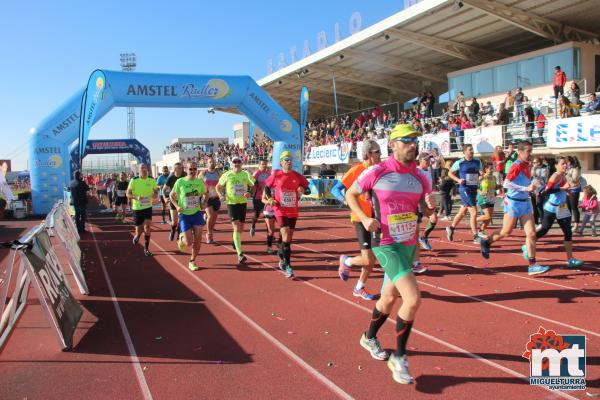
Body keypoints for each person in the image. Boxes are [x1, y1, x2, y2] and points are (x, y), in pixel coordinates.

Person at [346, 124, 435, 384]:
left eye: (415, 140)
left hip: (407, 244)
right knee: (413, 298)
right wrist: (363, 218)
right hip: (384, 243)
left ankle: (368, 337)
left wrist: (431, 210)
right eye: (406, 140)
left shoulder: (421, 177)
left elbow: (427, 212)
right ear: (393, 144)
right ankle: (399, 357)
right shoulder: (377, 171)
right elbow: (351, 194)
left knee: (387, 299)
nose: (412, 145)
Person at [479, 141, 550, 275]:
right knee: (506, 232)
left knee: (532, 234)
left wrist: (535, 188)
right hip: (513, 203)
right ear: (520, 152)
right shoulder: (516, 165)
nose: (530, 154)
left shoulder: (527, 165)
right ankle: (487, 242)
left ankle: (532, 264)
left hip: (525, 203)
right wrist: (525, 188)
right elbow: (507, 183)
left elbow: (525, 183)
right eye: (528, 151)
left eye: (531, 151)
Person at [333, 139, 381, 300]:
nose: (381, 154)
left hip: (375, 219)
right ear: (368, 154)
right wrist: (346, 201)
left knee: (372, 259)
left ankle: (359, 287)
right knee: (368, 259)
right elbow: (335, 189)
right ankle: (347, 261)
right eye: (377, 152)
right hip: (360, 218)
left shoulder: (380, 170)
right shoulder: (356, 170)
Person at [524, 157, 584, 268]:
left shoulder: (563, 176)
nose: (565, 166)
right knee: (544, 230)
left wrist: (566, 191)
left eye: (566, 164)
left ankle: (570, 259)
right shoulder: (555, 176)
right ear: (556, 165)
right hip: (551, 208)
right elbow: (545, 191)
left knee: (568, 233)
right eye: (562, 164)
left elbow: (561, 189)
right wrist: (562, 189)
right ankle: (528, 245)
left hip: (562, 208)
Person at [264, 151, 310, 278]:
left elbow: (308, 188)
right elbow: (267, 188)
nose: (289, 162)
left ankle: (281, 252)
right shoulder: (276, 175)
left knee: (288, 237)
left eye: (290, 159)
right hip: (280, 210)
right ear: (281, 162)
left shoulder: (297, 176)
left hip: (293, 211)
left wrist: (304, 190)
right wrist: (269, 199)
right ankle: (288, 266)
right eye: (286, 160)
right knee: (285, 233)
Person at [216, 156, 255, 264]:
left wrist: (250, 193)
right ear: (232, 164)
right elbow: (218, 186)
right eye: (234, 162)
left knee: (241, 229)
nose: (237, 164)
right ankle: (240, 254)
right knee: (237, 227)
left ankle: (234, 239)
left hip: (242, 203)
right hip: (231, 203)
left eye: (238, 162)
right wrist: (220, 195)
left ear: (241, 164)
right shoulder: (227, 174)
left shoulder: (246, 174)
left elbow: (254, 185)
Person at [170, 162, 207, 271]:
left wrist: (203, 204)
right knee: (188, 242)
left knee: (199, 238)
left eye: (195, 169)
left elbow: (206, 193)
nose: (193, 171)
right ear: (186, 169)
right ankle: (181, 239)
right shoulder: (180, 181)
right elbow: (172, 195)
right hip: (185, 215)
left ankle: (192, 261)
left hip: (196, 213)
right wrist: (177, 206)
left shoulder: (199, 182)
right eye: (191, 169)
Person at [445, 144, 482, 244]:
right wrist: (458, 179)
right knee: (474, 212)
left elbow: (480, 173)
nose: (472, 151)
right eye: (470, 149)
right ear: (465, 152)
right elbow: (450, 173)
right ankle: (475, 236)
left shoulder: (477, 161)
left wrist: (480, 178)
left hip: (473, 189)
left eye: (472, 149)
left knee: (463, 212)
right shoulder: (459, 162)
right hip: (464, 189)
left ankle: (451, 228)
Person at [126, 163, 158, 257]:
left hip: (148, 207)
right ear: (138, 170)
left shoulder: (151, 180)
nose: (144, 169)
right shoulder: (134, 180)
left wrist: (155, 195)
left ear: (147, 169)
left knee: (147, 227)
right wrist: (136, 197)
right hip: (137, 208)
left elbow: (155, 191)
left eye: (145, 168)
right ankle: (137, 235)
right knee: (139, 229)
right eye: (142, 168)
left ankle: (146, 248)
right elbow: (127, 194)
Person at [200, 156, 221, 244]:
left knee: (214, 217)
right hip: (207, 198)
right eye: (210, 162)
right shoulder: (203, 174)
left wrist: (222, 193)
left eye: (213, 162)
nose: (212, 163)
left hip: (216, 198)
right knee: (210, 216)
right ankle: (209, 234)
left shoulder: (219, 173)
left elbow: (222, 184)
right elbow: (198, 185)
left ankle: (210, 230)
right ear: (207, 163)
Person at [163, 162, 187, 242]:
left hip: (183, 202)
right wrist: (165, 198)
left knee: (181, 221)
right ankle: (173, 231)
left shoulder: (185, 175)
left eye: (182, 167)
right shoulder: (171, 178)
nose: (181, 169)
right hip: (173, 202)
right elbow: (163, 189)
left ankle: (179, 235)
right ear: (175, 169)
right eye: (179, 168)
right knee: (174, 222)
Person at [250, 159, 271, 238]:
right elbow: (252, 184)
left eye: (265, 164)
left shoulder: (269, 173)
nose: (264, 166)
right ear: (259, 165)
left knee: (268, 215)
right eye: (263, 164)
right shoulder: (256, 173)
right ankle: (253, 226)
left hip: (267, 198)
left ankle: (269, 232)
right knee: (257, 214)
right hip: (258, 197)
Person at [476, 164, 496, 234]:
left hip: (491, 198)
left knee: (489, 217)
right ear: (486, 170)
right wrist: (480, 191)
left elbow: (494, 187)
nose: (492, 170)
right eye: (490, 169)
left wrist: (500, 186)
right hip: (483, 198)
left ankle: (481, 230)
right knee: (487, 216)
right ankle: (473, 220)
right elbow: (475, 186)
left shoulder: (494, 177)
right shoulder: (482, 177)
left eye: (492, 168)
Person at [565, 156, 582, 232]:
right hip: (567, 190)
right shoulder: (567, 169)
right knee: (567, 207)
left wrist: (567, 175)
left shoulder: (576, 169)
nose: (566, 164)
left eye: (567, 162)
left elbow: (575, 180)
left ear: (570, 162)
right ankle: (568, 224)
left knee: (574, 207)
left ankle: (576, 226)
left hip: (574, 190)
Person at [530, 157, 549, 226]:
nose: (534, 164)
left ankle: (542, 221)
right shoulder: (533, 168)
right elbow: (532, 176)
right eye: (533, 162)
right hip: (533, 189)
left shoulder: (544, 168)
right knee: (534, 206)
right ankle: (535, 222)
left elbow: (542, 180)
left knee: (539, 206)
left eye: (535, 162)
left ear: (539, 162)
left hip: (540, 189)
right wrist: (534, 168)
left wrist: (535, 172)